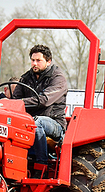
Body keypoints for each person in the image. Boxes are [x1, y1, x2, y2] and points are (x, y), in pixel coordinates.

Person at [13, 45, 67, 176]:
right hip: (29, 120)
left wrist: (20, 103)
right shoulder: (26, 78)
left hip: (54, 123)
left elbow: (44, 100)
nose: (34, 63)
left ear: (48, 61)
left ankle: (41, 165)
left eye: (38, 60)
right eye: (32, 60)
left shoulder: (57, 78)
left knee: (37, 123)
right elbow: (15, 98)